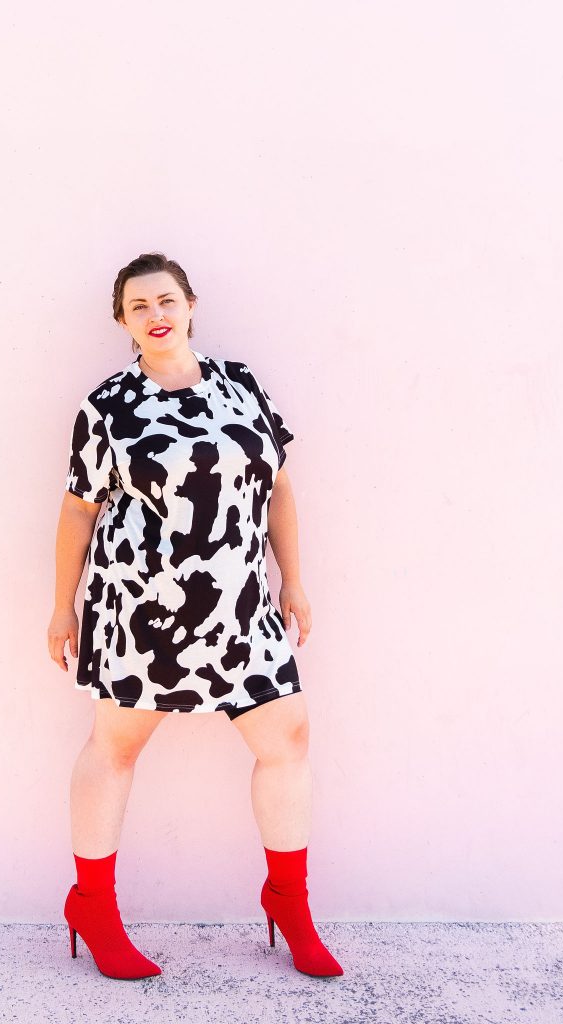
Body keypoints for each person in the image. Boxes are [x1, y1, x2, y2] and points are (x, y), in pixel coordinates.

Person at [48, 252, 343, 980]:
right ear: (122, 321)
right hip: (139, 607)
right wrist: (63, 608)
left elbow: (277, 489)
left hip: (241, 604)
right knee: (114, 749)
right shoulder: (108, 406)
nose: (156, 314)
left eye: (167, 299)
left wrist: (294, 580)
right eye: (139, 305)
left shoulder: (240, 385)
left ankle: (289, 902)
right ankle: (93, 905)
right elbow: (78, 512)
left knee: (288, 737)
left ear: (191, 304)